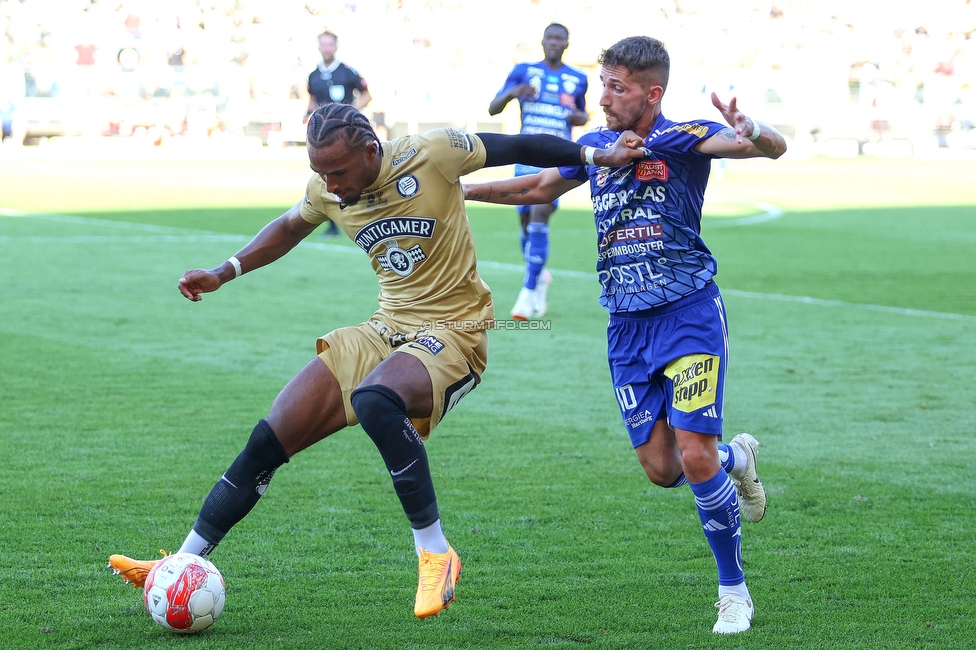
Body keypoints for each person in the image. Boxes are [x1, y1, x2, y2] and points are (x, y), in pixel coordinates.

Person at [108, 103, 647, 620]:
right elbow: (291, 225)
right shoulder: (327, 185)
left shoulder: (432, 152)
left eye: (339, 172)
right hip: (385, 328)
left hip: (455, 331)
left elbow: (518, 144)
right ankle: (183, 559)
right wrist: (225, 271)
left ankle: (435, 552)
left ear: (371, 150)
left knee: (375, 400)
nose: (332, 186)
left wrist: (594, 156)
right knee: (271, 436)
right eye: (321, 174)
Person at [464, 35, 787, 634]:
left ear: (652, 93)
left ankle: (733, 591)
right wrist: (458, 192)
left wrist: (753, 126)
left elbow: (765, 147)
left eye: (619, 87)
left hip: (688, 313)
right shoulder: (594, 146)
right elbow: (536, 188)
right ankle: (737, 457)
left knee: (692, 454)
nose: (605, 97)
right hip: (625, 326)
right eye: (604, 83)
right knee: (664, 469)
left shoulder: (683, 138)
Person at [488, 23, 589, 320]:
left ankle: (527, 291)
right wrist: (513, 93)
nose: (555, 42)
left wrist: (580, 116)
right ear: (542, 41)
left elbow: (581, 113)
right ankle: (540, 275)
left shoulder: (578, 78)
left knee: (539, 212)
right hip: (525, 154)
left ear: (567, 44)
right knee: (524, 220)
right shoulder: (523, 71)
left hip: (558, 156)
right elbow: (494, 108)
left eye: (560, 38)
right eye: (550, 37)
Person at [306, 30, 372, 237]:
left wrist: (350, 113)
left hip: (347, 136)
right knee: (325, 178)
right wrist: (308, 114)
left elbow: (367, 95)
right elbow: (312, 100)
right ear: (319, 47)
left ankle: (366, 215)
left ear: (336, 47)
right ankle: (333, 222)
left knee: (351, 173)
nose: (326, 48)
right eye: (323, 44)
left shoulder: (347, 72)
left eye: (330, 44)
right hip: (322, 139)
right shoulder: (313, 75)